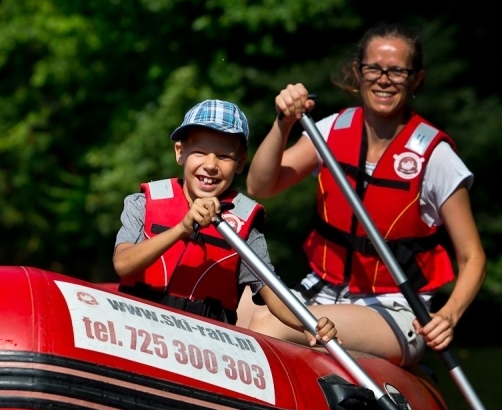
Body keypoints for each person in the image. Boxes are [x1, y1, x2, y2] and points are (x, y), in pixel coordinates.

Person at [243, 23, 486, 366]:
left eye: (398, 71)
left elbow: (472, 257)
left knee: (269, 323)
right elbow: (260, 186)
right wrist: (283, 123)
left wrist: (448, 315)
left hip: (396, 309)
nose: (384, 80)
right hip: (321, 290)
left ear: (416, 79)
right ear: (358, 73)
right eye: (374, 68)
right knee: (236, 306)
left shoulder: (436, 156)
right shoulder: (330, 130)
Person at [112, 99, 338, 347]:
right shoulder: (142, 203)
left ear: (240, 163)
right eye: (199, 152)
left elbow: (271, 290)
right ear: (180, 152)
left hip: (204, 347)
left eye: (223, 156)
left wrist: (306, 323)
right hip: (138, 331)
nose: (210, 166)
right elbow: (123, 264)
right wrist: (182, 229)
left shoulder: (246, 225)